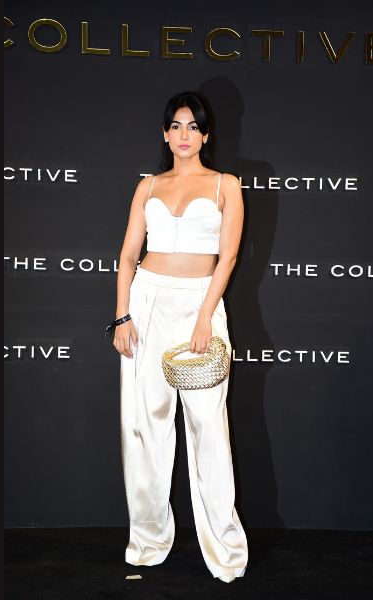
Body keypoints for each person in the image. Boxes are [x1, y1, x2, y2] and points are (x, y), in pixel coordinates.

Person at [109, 91, 248, 583]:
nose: (184, 135)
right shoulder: (148, 186)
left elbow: (228, 257)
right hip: (147, 302)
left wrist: (205, 316)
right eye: (175, 126)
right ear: (165, 134)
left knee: (209, 427)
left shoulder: (226, 185)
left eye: (193, 126)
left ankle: (225, 548)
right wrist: (122, 316)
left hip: (199, 305)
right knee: (145, 426)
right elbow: (128, 255)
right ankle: (148, 540)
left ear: (206, 135)